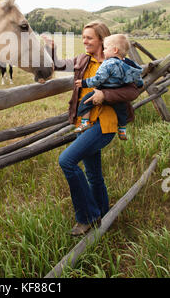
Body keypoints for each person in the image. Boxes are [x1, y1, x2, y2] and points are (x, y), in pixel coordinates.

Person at [42, 22, 140, 236]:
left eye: (89, 38)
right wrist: (52, 48)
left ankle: (87, 217)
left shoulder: (118, 62)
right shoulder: (82, 59)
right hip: (85, 123)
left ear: (102, 40)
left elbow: (133, 91)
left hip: (104, 124)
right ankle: (103, 216)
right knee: (94, 174)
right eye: (83, 37)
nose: (84, 41)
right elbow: (58, 65)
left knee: (66, 161)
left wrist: (105, 95)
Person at [74, 33, 144, 140]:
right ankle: (122, 130)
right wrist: (140, 84)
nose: (103, 51)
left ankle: (85, 122)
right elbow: (137, 79)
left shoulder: (108, 64)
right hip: (118, 94)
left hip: (104, 90)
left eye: (105, 48)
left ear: (115, 50)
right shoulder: (128, 65)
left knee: (86, 101)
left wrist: (84, 83)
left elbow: (98, 79)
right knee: (121, 111)